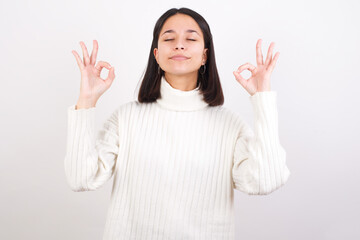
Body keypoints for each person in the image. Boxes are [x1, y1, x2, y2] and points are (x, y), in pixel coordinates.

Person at [64, 7, 290, 240]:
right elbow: (81, 179)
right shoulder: (126, 118)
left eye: (190, 38)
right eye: (169, 38)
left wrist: (262, 98)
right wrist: (86, 101)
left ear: (204, 55)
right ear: (156, 54)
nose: (179, 45)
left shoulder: (229, 124)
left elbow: (266, 180)